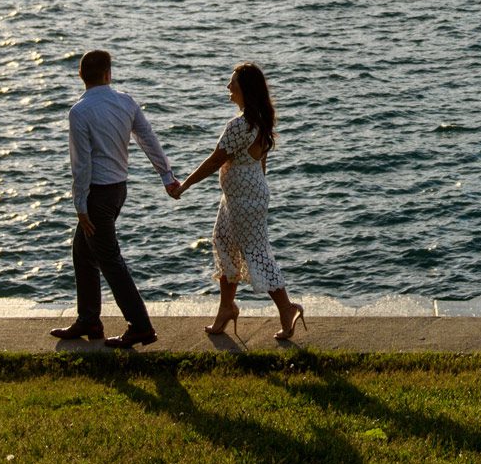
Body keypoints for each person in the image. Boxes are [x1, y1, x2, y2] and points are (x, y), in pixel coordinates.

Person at [51, 49, 177, 349]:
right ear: (109, 74)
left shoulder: (79, 111)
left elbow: (81, 165)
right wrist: (166, 176)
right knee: (82, 252)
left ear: (81, 76)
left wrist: (80, 205)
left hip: (97, 195)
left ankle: (141, 326)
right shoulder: (126, 102)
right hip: (118, 190)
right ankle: (89, 319)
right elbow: (148, 139)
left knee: (109, 259)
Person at [175, 63, 304, 341]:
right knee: (223, 243)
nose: (228, 88)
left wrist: (184, 185)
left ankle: (287, 308)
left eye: (232, 83)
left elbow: (214, 160)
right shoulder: (260, 120)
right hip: (241, 197)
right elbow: (261, 163)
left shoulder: (239, 125)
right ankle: (226, 308)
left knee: (256, 253)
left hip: (244, 200)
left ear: (245, 89)